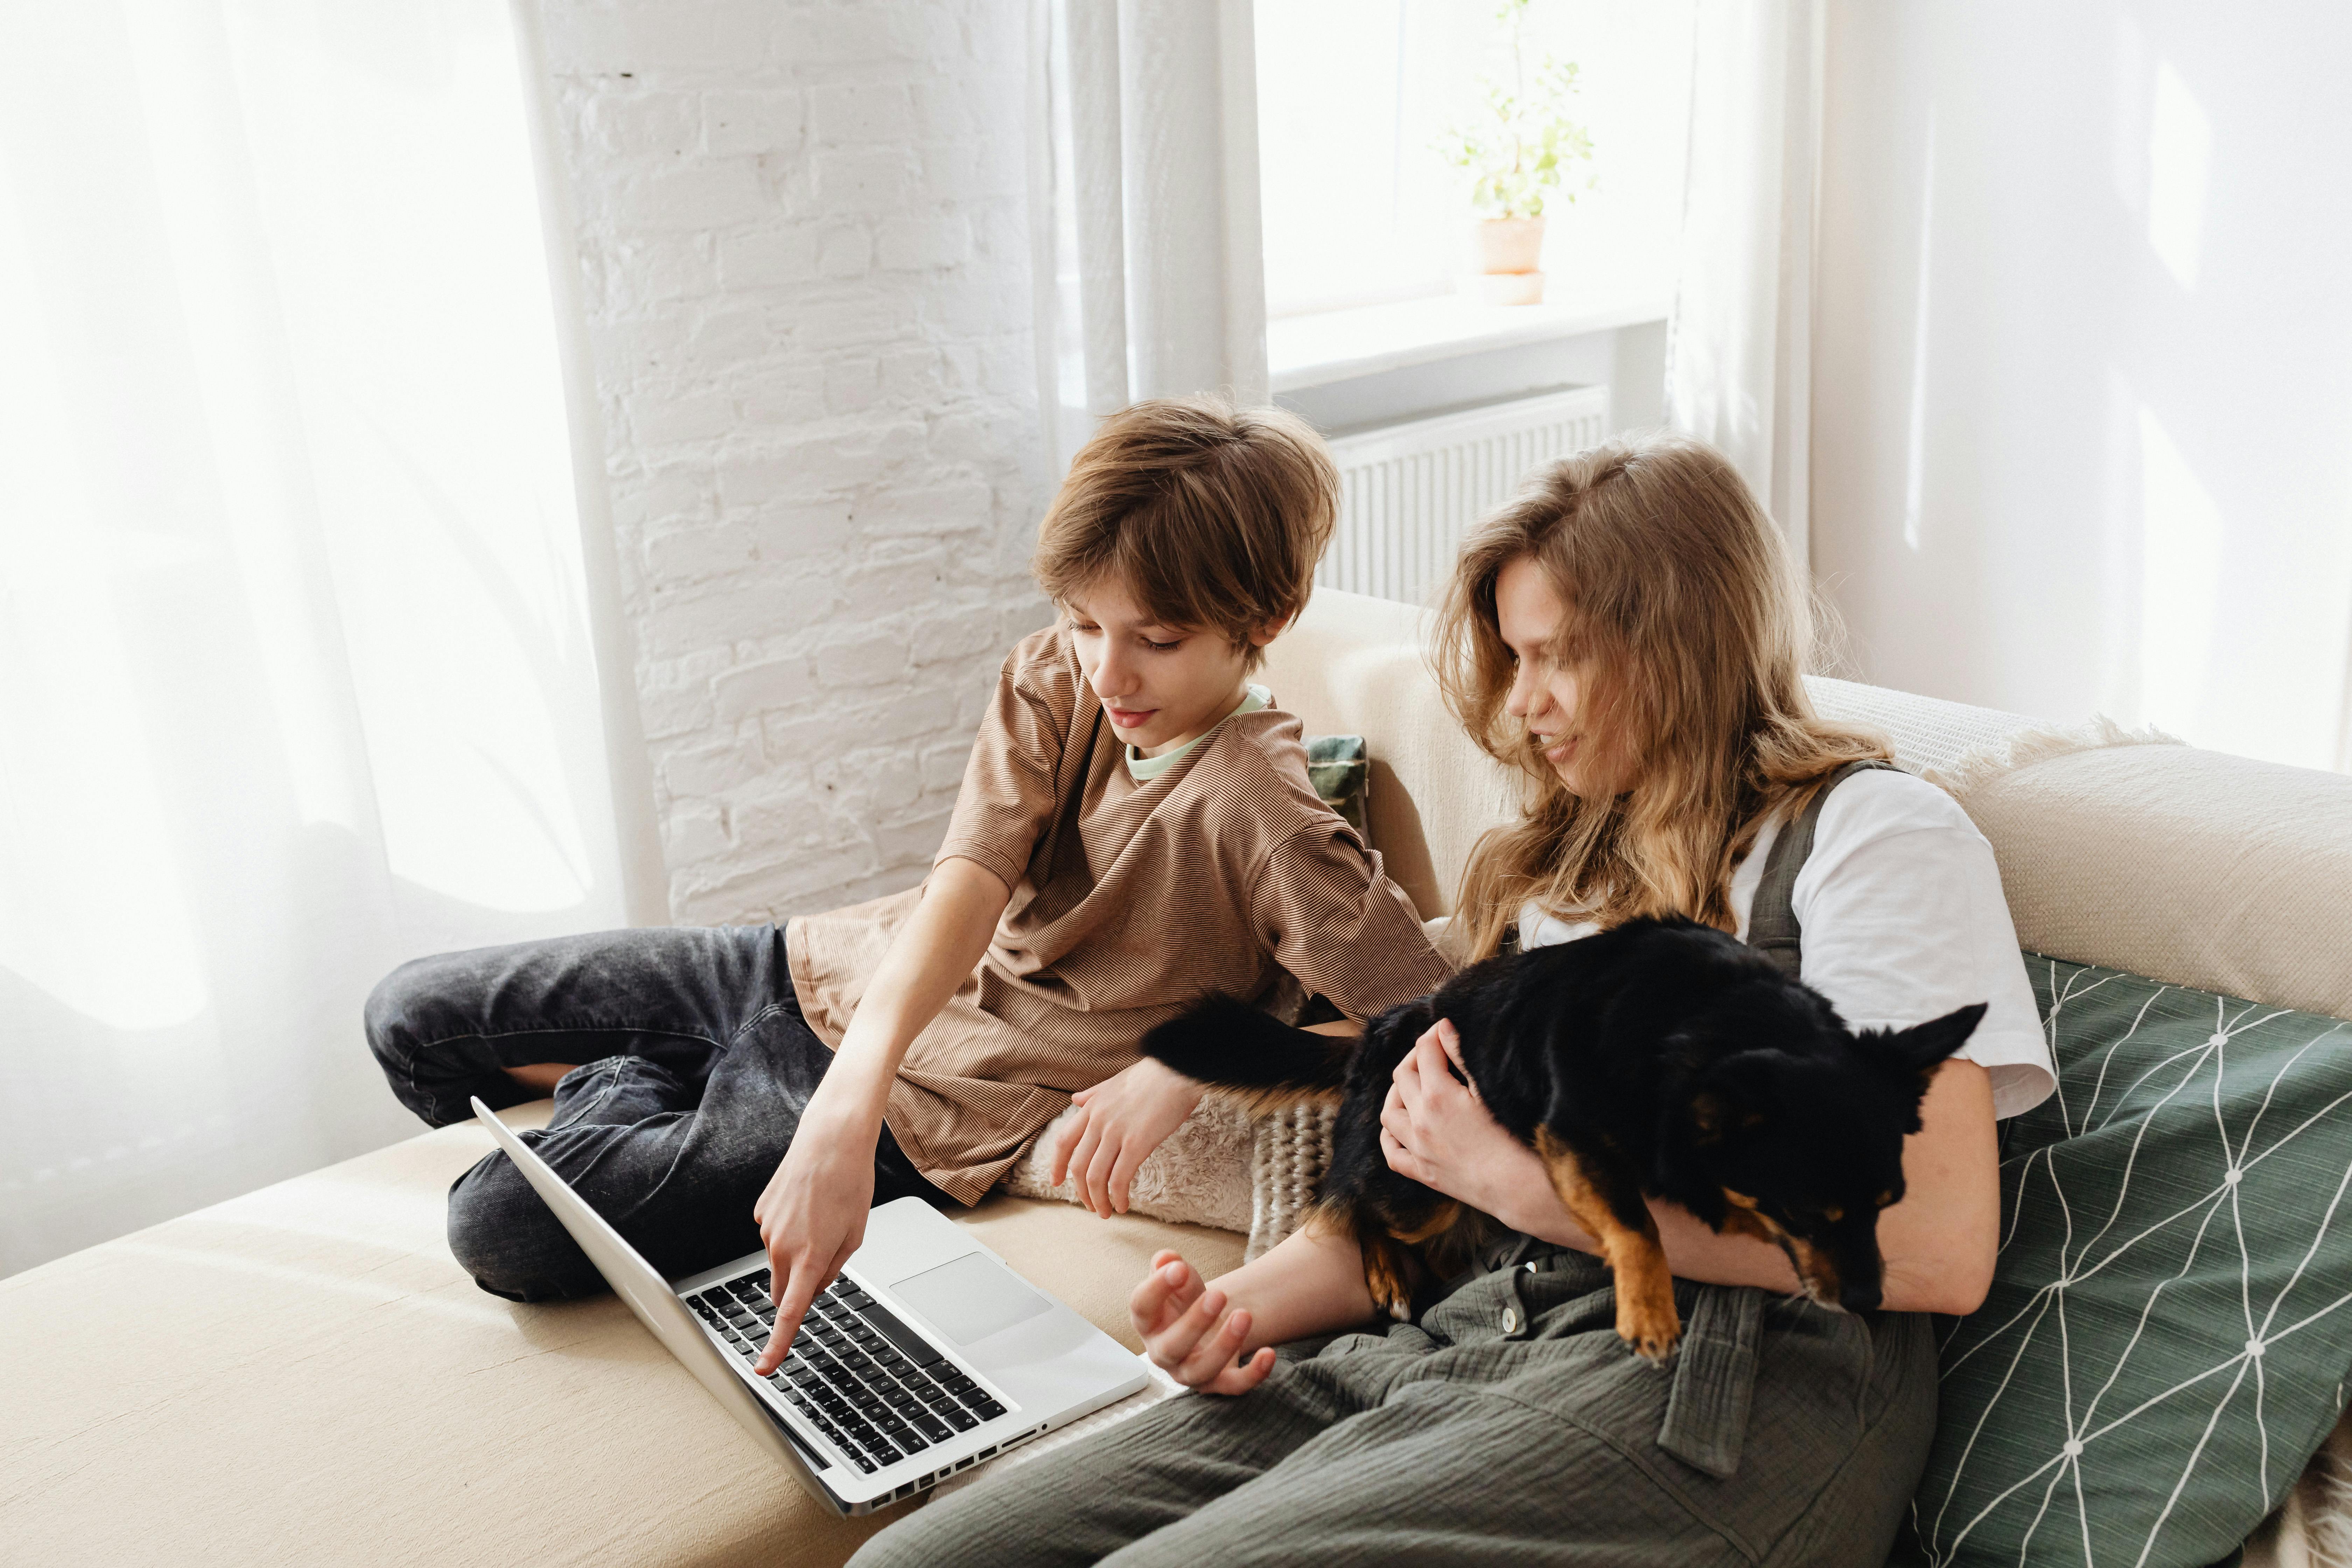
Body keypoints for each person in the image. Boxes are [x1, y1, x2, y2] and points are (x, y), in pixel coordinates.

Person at [850, 433, 2056, 1568]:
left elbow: (1934, 1247)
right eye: (1511, 658)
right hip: (1476, 1337)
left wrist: (1521, 1185)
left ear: (1679, 640)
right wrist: (1236, 1308)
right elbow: (1427, 1201)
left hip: (1726, 1388)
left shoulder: (1869, 838)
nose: (1522, 706)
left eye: (1554, 655)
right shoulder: (1566, 878)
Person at [363, 397, 1452, 1369]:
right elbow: (967, 891)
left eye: (1156, 641)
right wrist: (845, 1103)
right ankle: (677, 1073)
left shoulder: (1261, 812)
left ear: (1259, 624)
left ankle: (654, 1082)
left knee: (499, 1224)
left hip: (947, 1107)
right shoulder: (1052, 676)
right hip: (829, 972)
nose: (1108, 673)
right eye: (1086, 623)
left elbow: (1439, 1027)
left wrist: (1193, 1067)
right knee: (409, 1018)